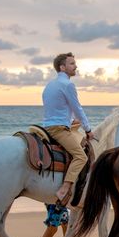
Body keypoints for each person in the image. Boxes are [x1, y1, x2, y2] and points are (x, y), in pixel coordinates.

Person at [41, 52, 94, 205]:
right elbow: (78, 108)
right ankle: (65, 187)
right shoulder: (68, 85)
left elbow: (57, 109)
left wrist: (72, 121)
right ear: (62, 67)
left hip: (48, 126)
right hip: (58, 129)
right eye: (71, 63)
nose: (75, 66)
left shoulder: (50, 85)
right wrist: (88, 130)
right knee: (81, 156)